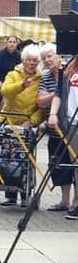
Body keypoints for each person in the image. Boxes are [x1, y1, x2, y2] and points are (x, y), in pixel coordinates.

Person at [0, 44, 44, 205]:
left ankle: (25, 193)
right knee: (4, 157)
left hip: (27, 125)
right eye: (29, 60)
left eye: (35, 61)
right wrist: (22, 85)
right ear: (23, 60)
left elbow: (42, 108)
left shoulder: (41, 79)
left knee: (24, 160)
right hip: (8, 121)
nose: (32, 64)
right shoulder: (13, 74)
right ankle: (9, 193)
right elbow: (5, 91)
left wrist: (32, 121)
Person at [37, 43, 76, 211]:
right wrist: (53, 113)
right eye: (44, 58)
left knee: (74, 162)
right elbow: (41, 101)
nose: (47, 60)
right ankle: (65, 200)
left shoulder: (65, 71)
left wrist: (50, 97)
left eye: (50, 56)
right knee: (59, 163)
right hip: (60, 125)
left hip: (70, 123)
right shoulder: (61, 73)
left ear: (58, 56)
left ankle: (75, 201)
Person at [48, 55, 78, 220]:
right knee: (75, 163)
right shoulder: (69, 69)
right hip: (71, 123)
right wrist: (53, 114)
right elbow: (58, 93)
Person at [0, 36, 21, 109]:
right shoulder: (0, 54)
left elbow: (20, 70)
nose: (12, 44)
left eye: (14, 42)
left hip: (11, 83)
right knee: (1, 99)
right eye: (10, 42)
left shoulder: (19, 55)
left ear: (17, 44)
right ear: (6, 43)